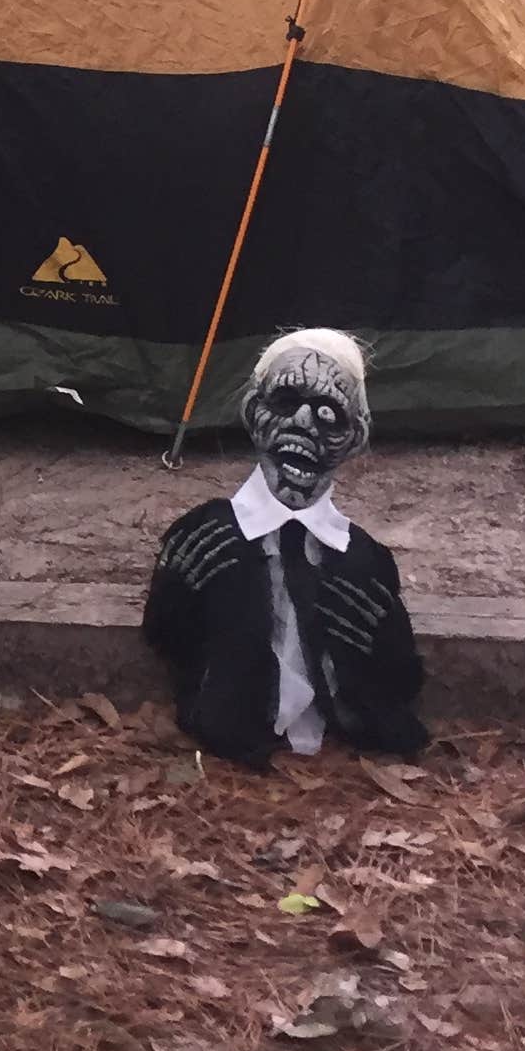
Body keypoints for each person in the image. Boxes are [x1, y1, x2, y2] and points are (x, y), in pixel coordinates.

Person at [143, 330, 428, 769]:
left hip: (341, 768)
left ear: (355, 437)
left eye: (330, 413)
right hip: (226, 753)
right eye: (284, 401)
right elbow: (167, 633)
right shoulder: (203, 538)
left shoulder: (364, 561)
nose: (304, 423)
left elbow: (400, 672)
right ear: (253, 411)